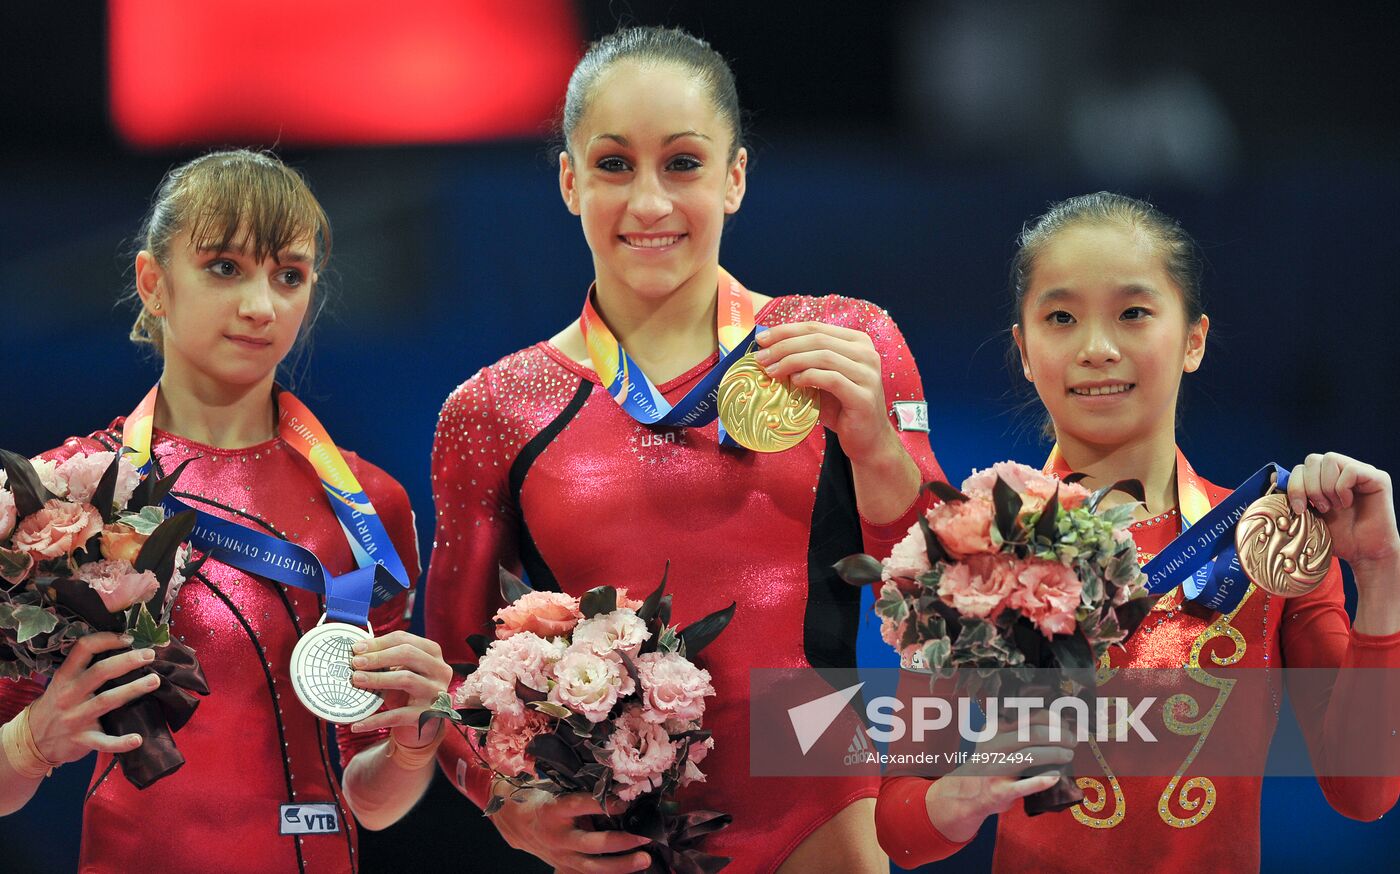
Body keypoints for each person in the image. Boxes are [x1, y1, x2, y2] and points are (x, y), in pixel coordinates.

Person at [425, 25, 944, 874]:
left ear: (734, 177)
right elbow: (452, 671)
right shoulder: (496, 409)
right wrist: (506, 804)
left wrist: (875, 445)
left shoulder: (842, 343)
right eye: (614, 164)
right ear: (569, 181)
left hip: (820, 804)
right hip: (619, 835)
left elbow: (944, 596)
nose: (649, 204)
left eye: (683, 163)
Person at [874, 191, 1400, 870]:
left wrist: (1378, 573)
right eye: (1061, 318)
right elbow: (900, 830)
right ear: (1025, 351)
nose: (1097, 349)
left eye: (1133, 313)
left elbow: (1364, 792)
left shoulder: (1270, 540)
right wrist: (963, 795)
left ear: (1193, 341)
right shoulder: (973, 547)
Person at [0, 149, 453, 872]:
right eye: (224, 267)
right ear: (153, 282)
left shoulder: (370, 506)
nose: (261, 306)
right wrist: (34, 740)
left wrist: (414, 743)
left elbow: (370, 801)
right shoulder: (59, 499)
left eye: (289, 275)